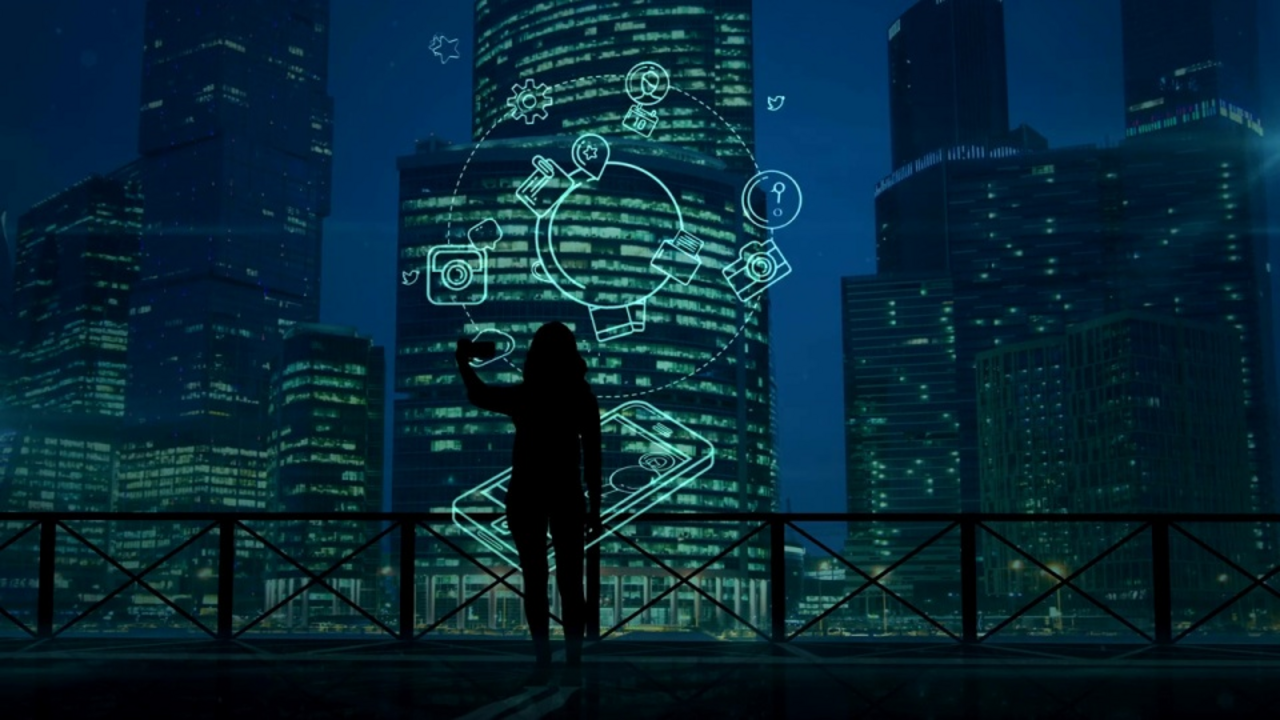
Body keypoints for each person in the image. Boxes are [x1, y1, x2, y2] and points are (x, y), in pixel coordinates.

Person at [455, 321, 602, 679]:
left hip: (525, 492)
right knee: (572, 580)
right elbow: (594, 455)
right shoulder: (580, 395)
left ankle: (542, 657)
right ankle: (574, 657)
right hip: (567, 493)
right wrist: (595, 506)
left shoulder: (527, 394)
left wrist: (463, 363)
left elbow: (480, 396)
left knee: (534, 580)